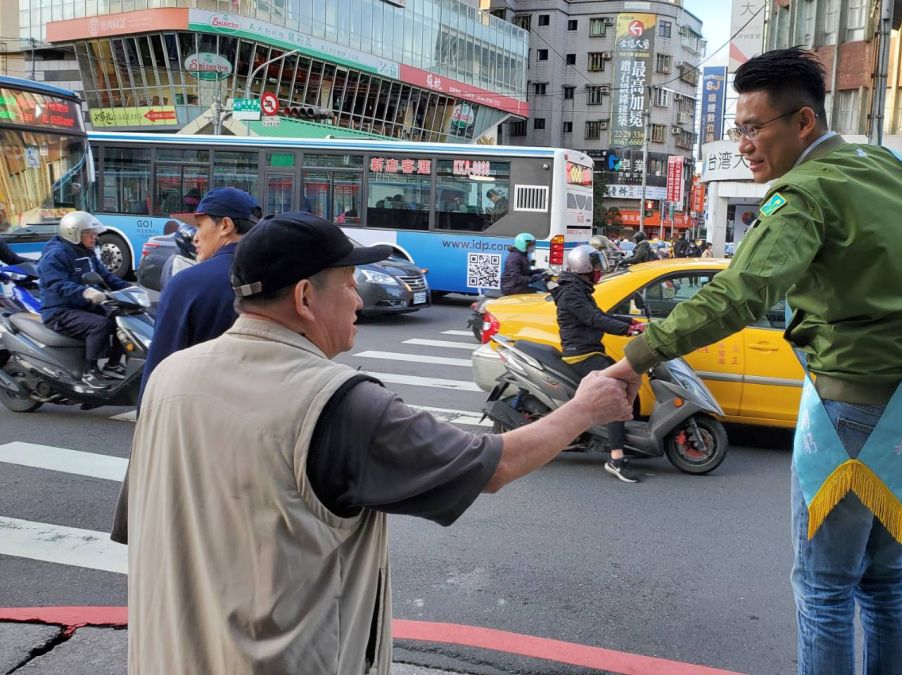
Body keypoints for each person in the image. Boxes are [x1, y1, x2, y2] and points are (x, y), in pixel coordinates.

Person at [123, 213, 631, 674]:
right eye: (349, 284)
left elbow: (142, 522)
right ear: (304, 297)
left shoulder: (170, 376)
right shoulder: (335, 403)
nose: (359, 299)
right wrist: (584, 410)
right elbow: (492, 466)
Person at [600, 48, 902, 673]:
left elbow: (740, 293)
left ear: (802, 123)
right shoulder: (895, 168)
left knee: (825, 589)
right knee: (884, 579)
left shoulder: (804, 193)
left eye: (752, 127)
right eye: (737, 129)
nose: (743, 143)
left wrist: (635, 356)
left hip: (850, 412)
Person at [138, 188, 260, 405]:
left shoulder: (188, 284)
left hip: (197, 416)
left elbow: (160, 367)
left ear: (225, 226)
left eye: (200, 225)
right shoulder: (281, 279)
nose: (195, 237)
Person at [551, 244, 645, 483]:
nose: (599, 270)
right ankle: (616, 458)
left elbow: (601, 314)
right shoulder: (572, 293)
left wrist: (632, 322)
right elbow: (593, 319)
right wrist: (626, 329)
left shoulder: (579, 289)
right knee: (615, 391)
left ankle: (623, 421)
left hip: (591, 350)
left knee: (631, 372)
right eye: (595, 266)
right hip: (580, 354)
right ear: (584, 267)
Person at [38, 211, 130, 388]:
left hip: (83, 306)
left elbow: (105, 277)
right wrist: (85, 292)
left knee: (121, 317)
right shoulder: (55, 255)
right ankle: (91, 372)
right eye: (90, 234)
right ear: (73, 234)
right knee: (100, 325)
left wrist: (129, 288)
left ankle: (112, 365)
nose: (94, 237)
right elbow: (56, 284)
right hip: (59, 311)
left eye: (95, 234)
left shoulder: (87, 252)